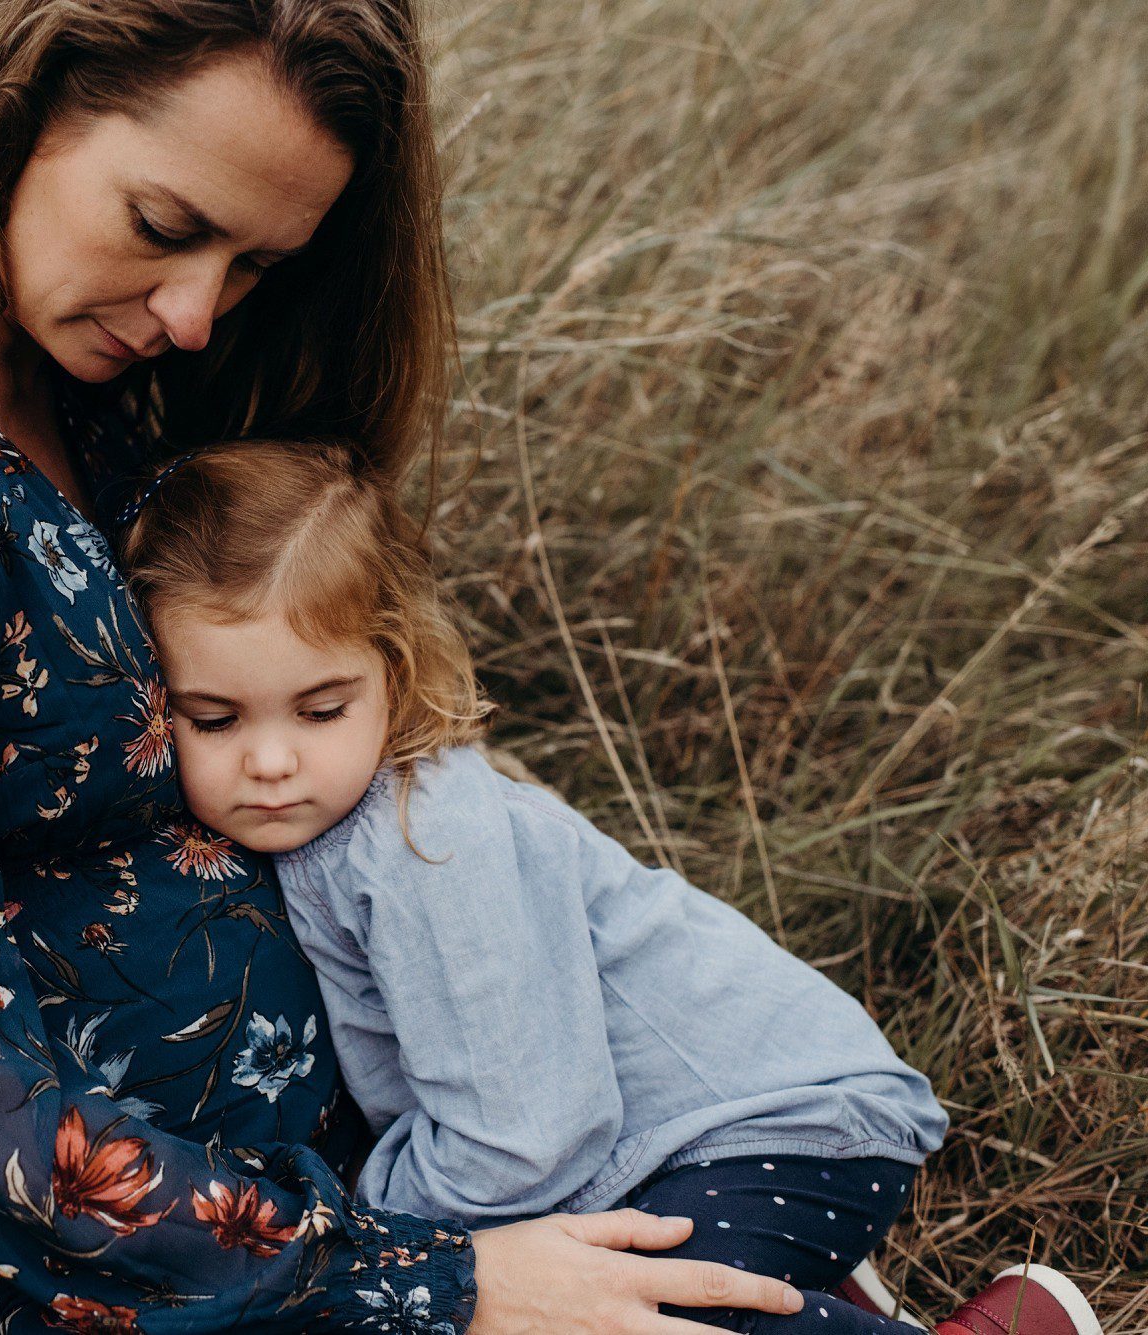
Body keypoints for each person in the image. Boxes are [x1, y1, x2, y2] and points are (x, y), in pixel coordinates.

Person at [0, 0, 835, 1328]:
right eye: (166, 227)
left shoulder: (64, 370)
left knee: (720, 1279)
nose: (200, 313)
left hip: (310, 1191)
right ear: (26, 101)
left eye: (257, 264)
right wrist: (432, 1282)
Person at [116, 437, 1106, 1335]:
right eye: (215, 720)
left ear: (395, 669)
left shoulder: (419, 844)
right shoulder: (322, 821)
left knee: (614, 1325)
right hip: (653, 1151)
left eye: (319, 708)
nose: (272, 762)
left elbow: (524, 1142)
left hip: (768, 1123)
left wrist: (376, 1237)